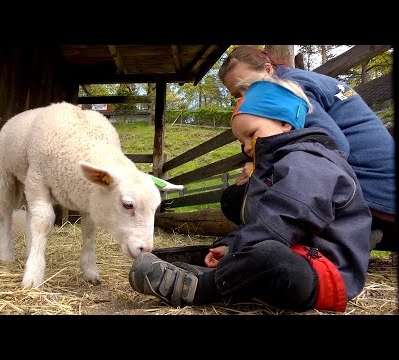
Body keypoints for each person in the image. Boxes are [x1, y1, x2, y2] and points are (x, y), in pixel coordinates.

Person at [128, 78, 372, 312]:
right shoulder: (276, 165)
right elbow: (260, 221)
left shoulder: (309, 161)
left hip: (323, 272)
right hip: (292, 251)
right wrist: (229, 245)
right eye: (241, 141)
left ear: (284, 122)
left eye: (251, 134)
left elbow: (284, 218)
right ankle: (212, 270)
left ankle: (201, 288)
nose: (246, 146)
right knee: (240, 250)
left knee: (268, 257)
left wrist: (238, 248)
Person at [217, 45, 396, 251]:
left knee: (237, 198)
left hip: (373, 198)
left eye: (246, 87)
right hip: (383, 193)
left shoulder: (287, 88)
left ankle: (352, 235)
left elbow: (334, 146)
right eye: (237, 95)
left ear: (267, 70)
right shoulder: (299, 80)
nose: (244, 97)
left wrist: (261, 168)